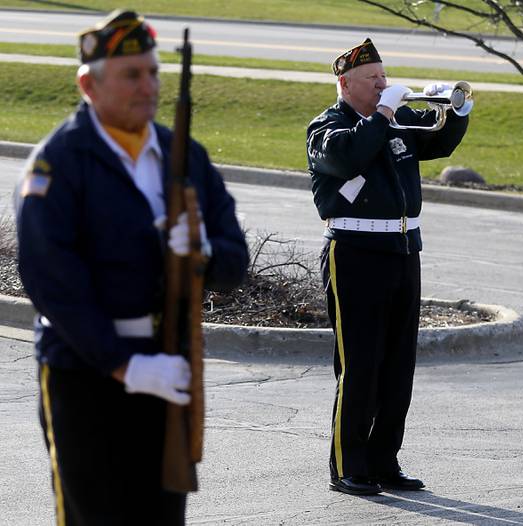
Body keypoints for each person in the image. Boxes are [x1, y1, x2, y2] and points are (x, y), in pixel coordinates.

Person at [15, 10, 248, 525]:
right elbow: (50, 278)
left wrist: (202, 255)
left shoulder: (183, 155)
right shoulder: (59, 162)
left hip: (169, 362)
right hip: (86, 374)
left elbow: (237, 261)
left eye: (153, 72)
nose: (149, 86)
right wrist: (124, 364)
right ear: (88, 85)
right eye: (131, 74)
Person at [306, 38, 469, 495]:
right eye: (372, 79)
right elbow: (350, 157)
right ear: (345, 83)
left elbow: (439, 143)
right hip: (354, 251)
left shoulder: (395, 120)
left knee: (398, 364)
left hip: (402, 249)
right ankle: (348, 466)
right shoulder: (327, 127)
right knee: (360, 364)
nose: (383, 84)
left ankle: (383, 460)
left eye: (383, 76)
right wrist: (382, 116)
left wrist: (455, 110)